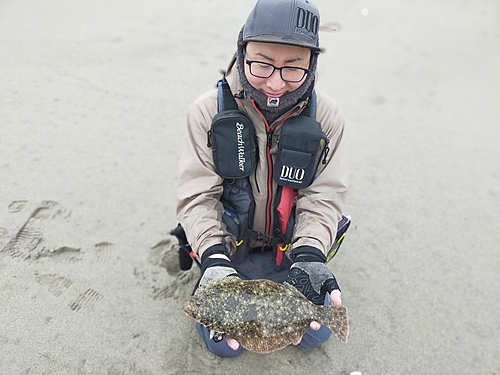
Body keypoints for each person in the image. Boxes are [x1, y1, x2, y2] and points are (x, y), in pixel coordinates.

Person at [176, 0, 348, 357]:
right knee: (225, 345)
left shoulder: (328, 117)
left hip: (289, 253)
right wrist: (212, 259)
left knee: (313, 334)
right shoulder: (206, 111)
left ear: (311, 65)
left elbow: (324, 196)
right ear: (241, 54)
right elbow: (198, 197)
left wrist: (312, 253)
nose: (274, 83)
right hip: (228, 251)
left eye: (292, 68)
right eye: (262, 64)